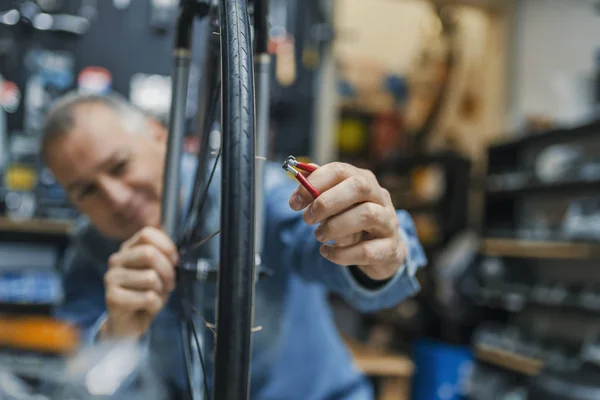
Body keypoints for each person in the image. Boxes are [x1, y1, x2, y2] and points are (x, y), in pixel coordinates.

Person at [42, 92, 427, 399]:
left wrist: (379, 251)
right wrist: (116, 334)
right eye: (87, 190)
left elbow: (361, 269)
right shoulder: (90, 253)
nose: (116, 198)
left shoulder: (254, 193)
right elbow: (73, 380)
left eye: (119, 166)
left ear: (160, 135)